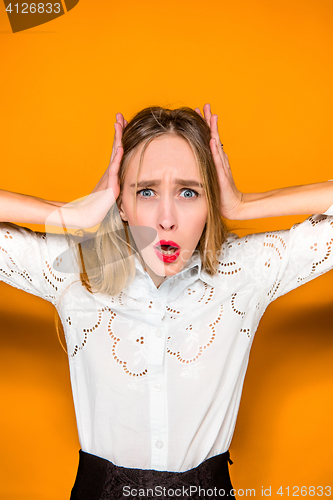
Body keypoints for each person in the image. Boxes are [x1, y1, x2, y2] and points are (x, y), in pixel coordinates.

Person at [1, 103, 332, 499]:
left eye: (189, 192)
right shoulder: (75, 271)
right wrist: (68, 213)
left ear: (212, 203)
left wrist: (246, 204)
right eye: (146, 191)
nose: (167, 218)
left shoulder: (248, 270)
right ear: (120, 203)